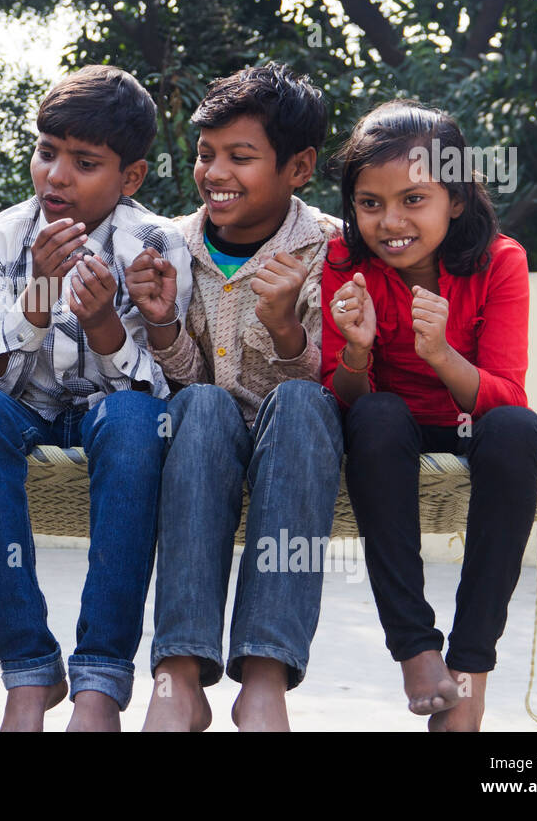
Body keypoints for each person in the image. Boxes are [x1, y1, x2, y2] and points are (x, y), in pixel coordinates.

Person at [0, 65, 192, 731]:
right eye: (47, 152)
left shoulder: (158, 246)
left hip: (114, 418)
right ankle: (28, 669)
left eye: (84, 163)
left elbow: (156, 389)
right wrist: (40, 297)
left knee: (137, 421)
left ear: (130, 178)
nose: (56, 176)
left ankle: (100, 682)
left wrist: (106, 321)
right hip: (27, 411)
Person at [127, 63, 344, 732]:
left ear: (299, 167)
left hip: (296, 443)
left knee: (308, 405)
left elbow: (337, 379)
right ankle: (181, 675)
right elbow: (187, 385)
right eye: (204, 155)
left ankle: (264, 678)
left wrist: (285, 329)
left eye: (240, 158)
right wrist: (162, 321)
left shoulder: (331, 248)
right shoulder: (167, 245)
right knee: (200, 406)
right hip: (202, 441)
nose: (216, 172)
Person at [323, 99, 537, 731]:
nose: (389, 221)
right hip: (390, 431)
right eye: (370, 203)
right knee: (374, 414)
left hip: (480, 420)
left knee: (512, 433)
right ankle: (416, 648)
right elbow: (338, 396)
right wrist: (358, 349)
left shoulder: (501, 261)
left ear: (455, 199)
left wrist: (441, 355)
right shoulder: (345, 264)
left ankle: (470, 669)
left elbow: (507, 393)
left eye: (413, 200)